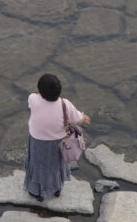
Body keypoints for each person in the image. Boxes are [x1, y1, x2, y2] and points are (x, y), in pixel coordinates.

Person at [25, 73, 90, 201]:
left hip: (37, 141)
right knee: (55, 166)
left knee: (37, 164)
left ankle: (35, 191)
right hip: (57, 144)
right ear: (59, 90)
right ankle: (55, 189)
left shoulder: (33, 98)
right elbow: (77, 118)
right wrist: (83, 116)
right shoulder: (65, 104)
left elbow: (34, 99)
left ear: (40, 91)